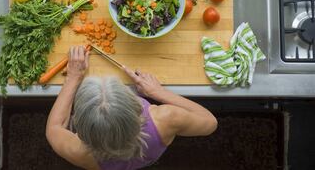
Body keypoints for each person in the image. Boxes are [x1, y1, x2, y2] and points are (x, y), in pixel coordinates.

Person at [46, 46, 218, 170]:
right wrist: (159, 92)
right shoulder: (167, 118)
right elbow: (210, 122)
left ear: (79, 128)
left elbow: (54, 127)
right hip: (149, 154)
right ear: (136, 106)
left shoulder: (77, 151)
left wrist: (73, 78)